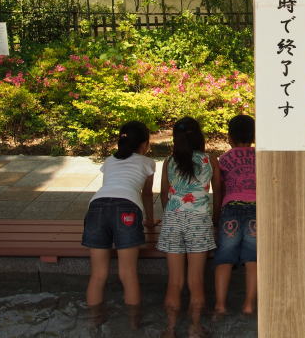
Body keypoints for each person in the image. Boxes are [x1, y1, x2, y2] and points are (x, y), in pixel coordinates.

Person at [81, 120, 157, 329]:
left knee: (97, 275)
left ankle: (94, 322)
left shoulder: (109, 161)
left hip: (96, 208)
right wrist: (149, 221)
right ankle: (134, 325)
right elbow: (147, 195)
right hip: (127, 208)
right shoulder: (147, 162)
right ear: (144, 145)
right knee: (128, 273)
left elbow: (110, 188)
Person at [157, 117, 216, 338]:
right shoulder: (211, 160)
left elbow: (164, 194)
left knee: (174, 281)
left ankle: (170, 329)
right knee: (196, 280)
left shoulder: (169, 161)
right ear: (199, 137)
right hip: (199, 221)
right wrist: (216, 218)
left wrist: (171, 215)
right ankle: (195, 329)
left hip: (173, 219)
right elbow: (217, 190)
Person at [212, 114, 257, 316]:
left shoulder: (225, 158)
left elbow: (219, 188)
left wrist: (216, 214)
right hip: (256, 209)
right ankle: (248, 304)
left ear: (229, 137)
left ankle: (220, 304)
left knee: (225, 257)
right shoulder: (261, 156)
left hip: (231, 208)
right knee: (253, 258)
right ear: (254, 135)